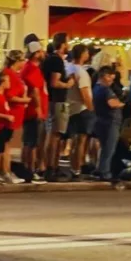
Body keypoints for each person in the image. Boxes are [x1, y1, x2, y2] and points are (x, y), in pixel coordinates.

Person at [43, 33, 74, 182]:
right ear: (62, 43)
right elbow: (54, 82)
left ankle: (53, 166)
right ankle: (50, 168)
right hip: (56, 100)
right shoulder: (56, 60)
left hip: (54, 100)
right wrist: (68, 84)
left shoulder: (51, 59)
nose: (69, 45)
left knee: (56, 134)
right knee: (54, 135)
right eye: (68, 42)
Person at [65, 44, 95, 179]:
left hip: (70, 107)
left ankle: (73, 166)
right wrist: (91, 108)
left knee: (74, 140)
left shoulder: (68, 68)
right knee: (81, 140)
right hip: (81, 109)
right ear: (82, 54)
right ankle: (77, 167)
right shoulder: (81, 72)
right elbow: (84, 92)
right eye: (87, 52)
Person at [20, 40, 48, 184]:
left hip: (31, 109)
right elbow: (36, 91)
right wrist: (38, 109)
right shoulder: (32, 69)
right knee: (32, 142)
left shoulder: (28, 68)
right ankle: (29, 169)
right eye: (41, 51)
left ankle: (27, 168)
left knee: (29, 141)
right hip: (33, 110)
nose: (43, 53)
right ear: (36, 54)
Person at [2, 49, 30, 182]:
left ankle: (6, 170)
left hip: (17, 113)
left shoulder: (15, 75)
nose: (24, 62)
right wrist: (25, 100)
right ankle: (5, 171)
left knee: (8, 143)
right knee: (5, 144)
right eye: (22, 60)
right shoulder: (8, 75)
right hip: (10, 113)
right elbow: (10, 96)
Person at [92, 66, 123, 181]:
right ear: (104, 76)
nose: (111, 80)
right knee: (109, 148)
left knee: (105, 147)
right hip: (110, 121)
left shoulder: (96, 88)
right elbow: (112, 103)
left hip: (101, 120)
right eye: (110, 77)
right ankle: (104, 172)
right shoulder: (105, 89)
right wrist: (122, 104)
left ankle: (100, 169)